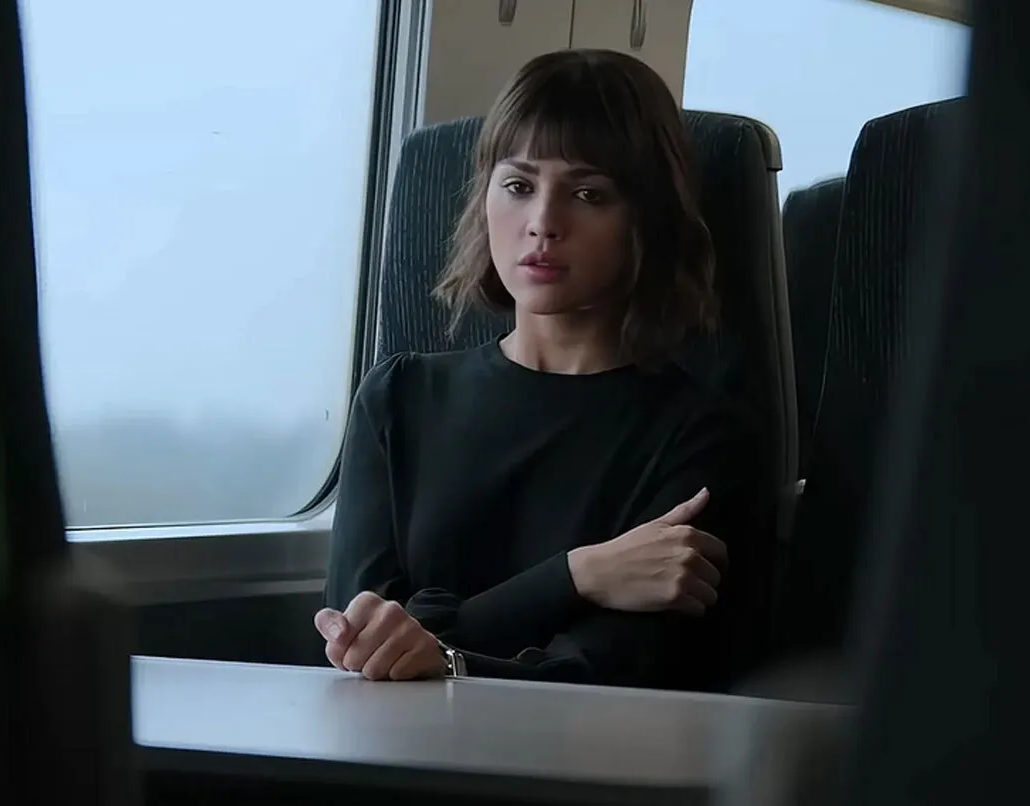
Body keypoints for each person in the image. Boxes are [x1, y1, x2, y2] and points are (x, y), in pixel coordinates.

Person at [314, 48, 766, 690]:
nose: (544, 224)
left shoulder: (703, 436)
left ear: (647, 218)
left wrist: (440, 634)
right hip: (382, 738)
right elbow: (360, 642)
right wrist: (579, 575)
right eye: (519, 186)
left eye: (588, 194)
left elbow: (599, 672)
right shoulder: (398, 396)